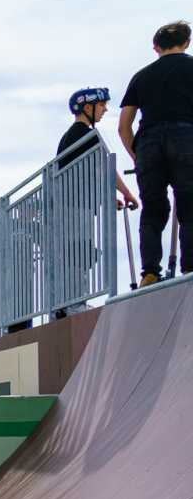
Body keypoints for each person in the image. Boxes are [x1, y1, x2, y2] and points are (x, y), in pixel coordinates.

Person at [45, 88, 139, 321]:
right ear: (88, 108)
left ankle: (65, 307)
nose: (105, 109)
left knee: (72, 253)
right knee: (79, 253)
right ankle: (75, 305)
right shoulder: (86, 134)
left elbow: (89, 173)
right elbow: (104, 167)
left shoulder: (72, 135)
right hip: (75, 208)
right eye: (102, 105)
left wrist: (108, 197)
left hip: (70, 205)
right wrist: (127, 192)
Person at [119, 20, 193, 288]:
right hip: (186, 137)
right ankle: (190, 268)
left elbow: (124, 125)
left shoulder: (141, 76)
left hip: (148, 141)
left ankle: (149, 272)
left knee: (153, 208)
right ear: (187, 42)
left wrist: (136, 155)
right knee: (189, 203)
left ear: (155, 47)